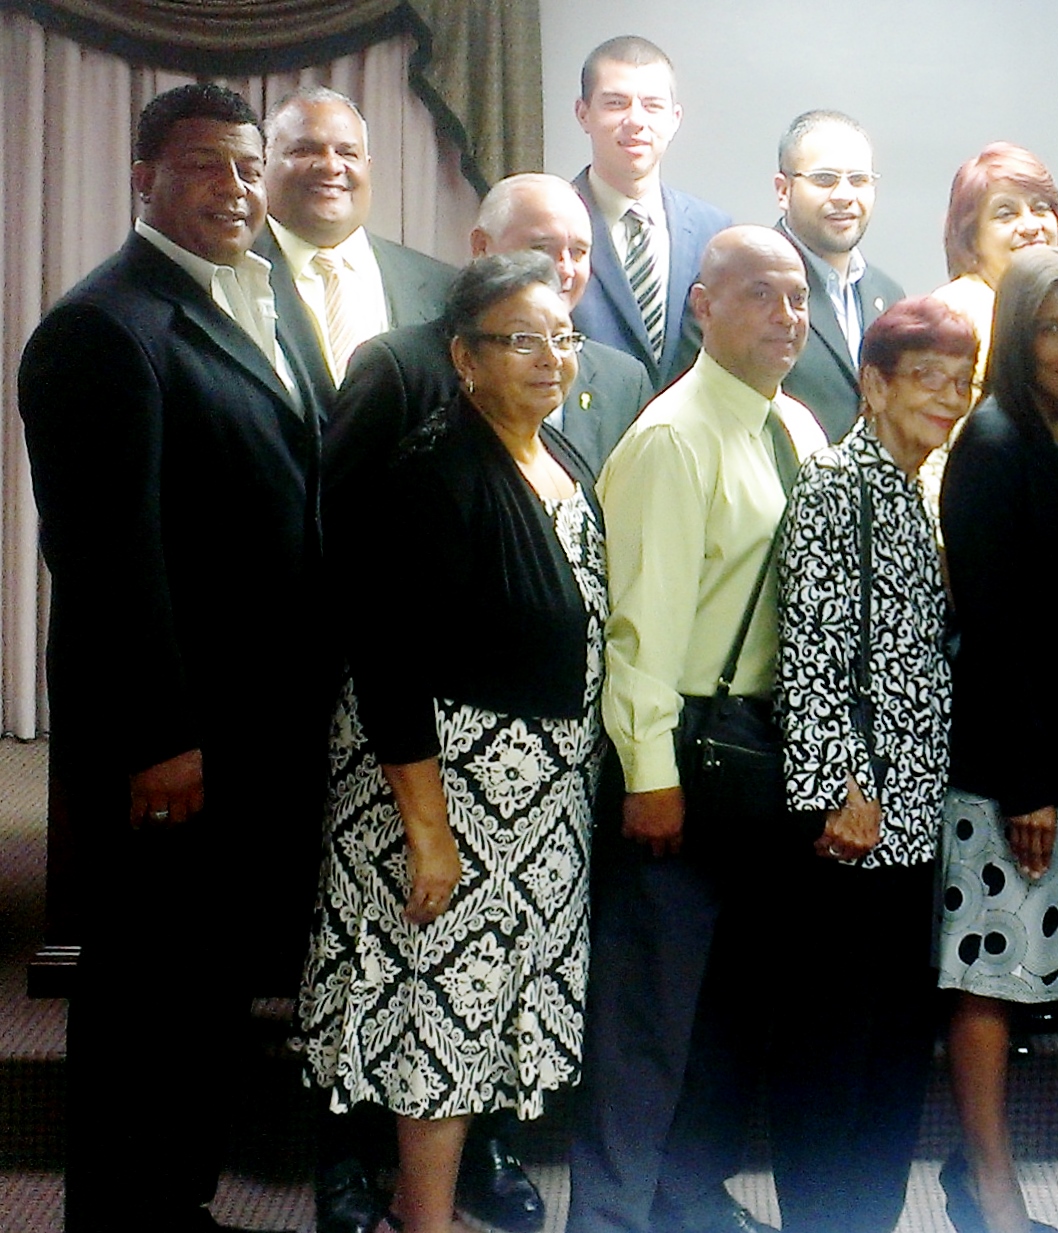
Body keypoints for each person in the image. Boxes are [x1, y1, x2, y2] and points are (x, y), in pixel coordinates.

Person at [20, 79, 331, 1233]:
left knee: (205, 985)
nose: (235, 187)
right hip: (175, 743)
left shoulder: (265, 296)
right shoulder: (102, 327)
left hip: (259, 723)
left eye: (248, 167)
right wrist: (162, 738)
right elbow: (107, 557)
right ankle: (118, 1215)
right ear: (144, 176)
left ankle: (176, 1203)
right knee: (143, 990)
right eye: (205, 165)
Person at [297, 251, 604, 1233]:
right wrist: (429, 832)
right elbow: (387, 659)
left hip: (535, 806)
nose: (550, 358)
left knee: (482, 1016)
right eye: (522, 341)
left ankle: (416, 1203)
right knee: (439, 1017)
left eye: (561, 337)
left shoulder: (561, 456)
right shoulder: (432, 472)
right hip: (446, 799)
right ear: (465, 359)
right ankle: (423, 1221)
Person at [571, 225, 815, 1233]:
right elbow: (640, 627)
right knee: (648, 1011)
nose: (787, 316)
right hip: (683, 748)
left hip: (766, 750)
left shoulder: (792, 423)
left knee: (731, 1003)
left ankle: (686, 1195)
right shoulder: (673, 437)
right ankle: (610, 1218)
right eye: (760, 294)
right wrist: (649, 773)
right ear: (703, 307)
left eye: (798, 297)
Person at [772, 296, 978, 1233]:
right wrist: (841, 789)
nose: (947, 397)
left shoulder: (913, 486)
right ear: (874, 384)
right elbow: (811, 647)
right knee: (832, 1044)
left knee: (892, 1043)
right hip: (853, 816)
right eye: (927, 378)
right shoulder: (835, 485)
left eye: (960, 382)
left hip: (914, 813)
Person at [935, 245, 1058, 1233]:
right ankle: (989, 1191)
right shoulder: (995, 441)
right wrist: (1028, 784)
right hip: (1004, 767)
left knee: (1012, 969)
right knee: (988, 978)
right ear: (1016, 337)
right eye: (1052, 328)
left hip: (1046, 753)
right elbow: (996, 630)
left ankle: (978, 1175)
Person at [330, 174, 654, 494]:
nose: (565, 269)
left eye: (579, 252)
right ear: (481, 247)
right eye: (541, 248)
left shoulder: (623, 380)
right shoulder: (400, 369)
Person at [254, 86, 455, 408]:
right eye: (305, 150)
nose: (330, 166)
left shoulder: (442, 288)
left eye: (347, 153)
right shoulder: (226, 276)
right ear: (263, 164)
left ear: (368, 166)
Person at [571, 36, 734, 389]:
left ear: (674, 119)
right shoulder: (550, 225)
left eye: (652, 105)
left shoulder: (715, 232)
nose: (635, 121)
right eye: (616, 104)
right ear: (583, 114)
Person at [931, 142, 1058, 413]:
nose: (1031, 226)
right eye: (1006, 213)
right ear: (971, 238)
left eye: (1041, 208)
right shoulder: (956, 312)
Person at [775, 110, 905, 441]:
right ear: (783, 190)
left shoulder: (890, 296)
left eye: (859, 180)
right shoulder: (750, 289)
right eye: (824, 179)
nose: (845, 195)